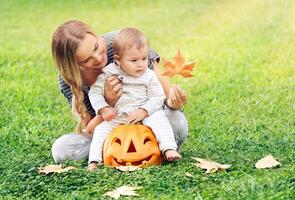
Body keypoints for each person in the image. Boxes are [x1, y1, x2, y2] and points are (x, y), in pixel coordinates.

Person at [51, 20, 188, 164]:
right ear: (74, 65)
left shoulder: (123, 42)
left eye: (96, 47)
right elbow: (90, 129)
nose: (98, 58)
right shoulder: (70, 79)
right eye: (86, 60)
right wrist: (108, 103)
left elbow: (163, 97)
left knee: (177, 121)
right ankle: (108, 153)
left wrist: (172, 103)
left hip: (148, 121)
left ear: (96, 35)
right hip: (112, 126)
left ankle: (161, 146)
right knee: (61, 149)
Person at [88, 28, 181, 170]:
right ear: (118, 60)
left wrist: (144, 110)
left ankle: (168, 148)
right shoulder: (107, 73)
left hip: (144, 115)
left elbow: (158, 96)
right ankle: (94, 161)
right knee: (101, 130)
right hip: (117, 116)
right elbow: (94, 93)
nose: (141, 64)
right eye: (134, 60)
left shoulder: (148, 75)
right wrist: (103, 108)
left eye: (144, 58)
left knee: (159, 119)